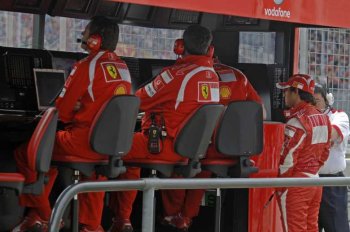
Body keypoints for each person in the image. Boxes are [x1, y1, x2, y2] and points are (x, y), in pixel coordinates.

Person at [13, 16, 132, 232]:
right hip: (109, 146)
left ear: (95, 40)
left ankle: (46, 215)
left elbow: (63, 111)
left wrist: (77, 107)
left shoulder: (86, 66)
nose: (83, 36)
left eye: (85, 32)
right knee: (86, 168)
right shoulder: (123, 67)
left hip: (82, 142)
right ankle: (91, 226)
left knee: (29, 152)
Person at [107, 25, 219, 232]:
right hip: (189, 150)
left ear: (180, 46)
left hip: (161, 146)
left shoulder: (175, 75)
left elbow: (138, 100)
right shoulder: (212, 76)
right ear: (209, 50)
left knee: (113, 146)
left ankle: (119, 219)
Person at [160, 58, 265, 231]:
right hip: (237, 150)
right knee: (202, 167)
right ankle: (186, 216)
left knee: (176, 157)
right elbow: (259, 109)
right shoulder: (239, 76)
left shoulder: (197, 76)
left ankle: (172, 215)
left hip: (208, 147)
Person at [275, 74, 331, 232]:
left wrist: (281, 185)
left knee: (293, 229)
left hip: (295, 183)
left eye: (287, 90)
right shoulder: (324, 118)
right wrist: (312, 172)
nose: (284, 94)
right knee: (311, 227)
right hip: (315, 181)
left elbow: (288, 157)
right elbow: (325, 152)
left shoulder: (297, 121)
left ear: (296, 92)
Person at [314, 84, 350, 232]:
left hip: (332, 183)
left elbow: (331, 135)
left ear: (327, 100)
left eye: (316, 101)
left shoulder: (339, 116)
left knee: (337, 228)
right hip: (308, 181)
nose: (313, 106)